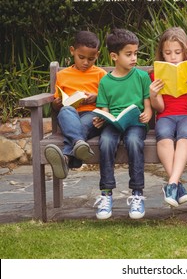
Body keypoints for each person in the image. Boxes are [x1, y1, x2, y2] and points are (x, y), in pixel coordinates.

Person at [93, 29, 153, 220]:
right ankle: (106, 193)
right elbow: (103, 108)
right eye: (128, 54)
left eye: (135, 53)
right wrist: (101, 117)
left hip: (135, 122)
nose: (134, 58)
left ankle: (137, 193)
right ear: (114, 56)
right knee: (106, 142)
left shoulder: (141, 77)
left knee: (134, 142)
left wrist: (147, 114)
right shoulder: (105, 81)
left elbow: (147, 106)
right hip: (114, 124)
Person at [149, 27, 187, 207]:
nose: (173, 56)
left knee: (184, 136)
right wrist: (154, 94)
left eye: (177, 52)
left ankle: (172, 183)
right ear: (162, 54)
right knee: (163, 135)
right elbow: (160, 108)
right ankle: (176, 184)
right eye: (168, 53)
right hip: (165, 115)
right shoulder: (155, 75)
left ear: (184, 52)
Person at [44, 30, 107, 180]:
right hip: (69, 116)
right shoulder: (63, 75)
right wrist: (57, 103)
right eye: (81, 57)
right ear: (72, 51)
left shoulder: (101, 74)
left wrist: (96, 98)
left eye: (91, 59)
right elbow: (56, 105)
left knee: (84, 124)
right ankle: (79, 145)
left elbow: (109, 100)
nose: (86, 62)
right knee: (66, 110)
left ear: (97, 55)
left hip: (92, 115)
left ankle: (66, 157)